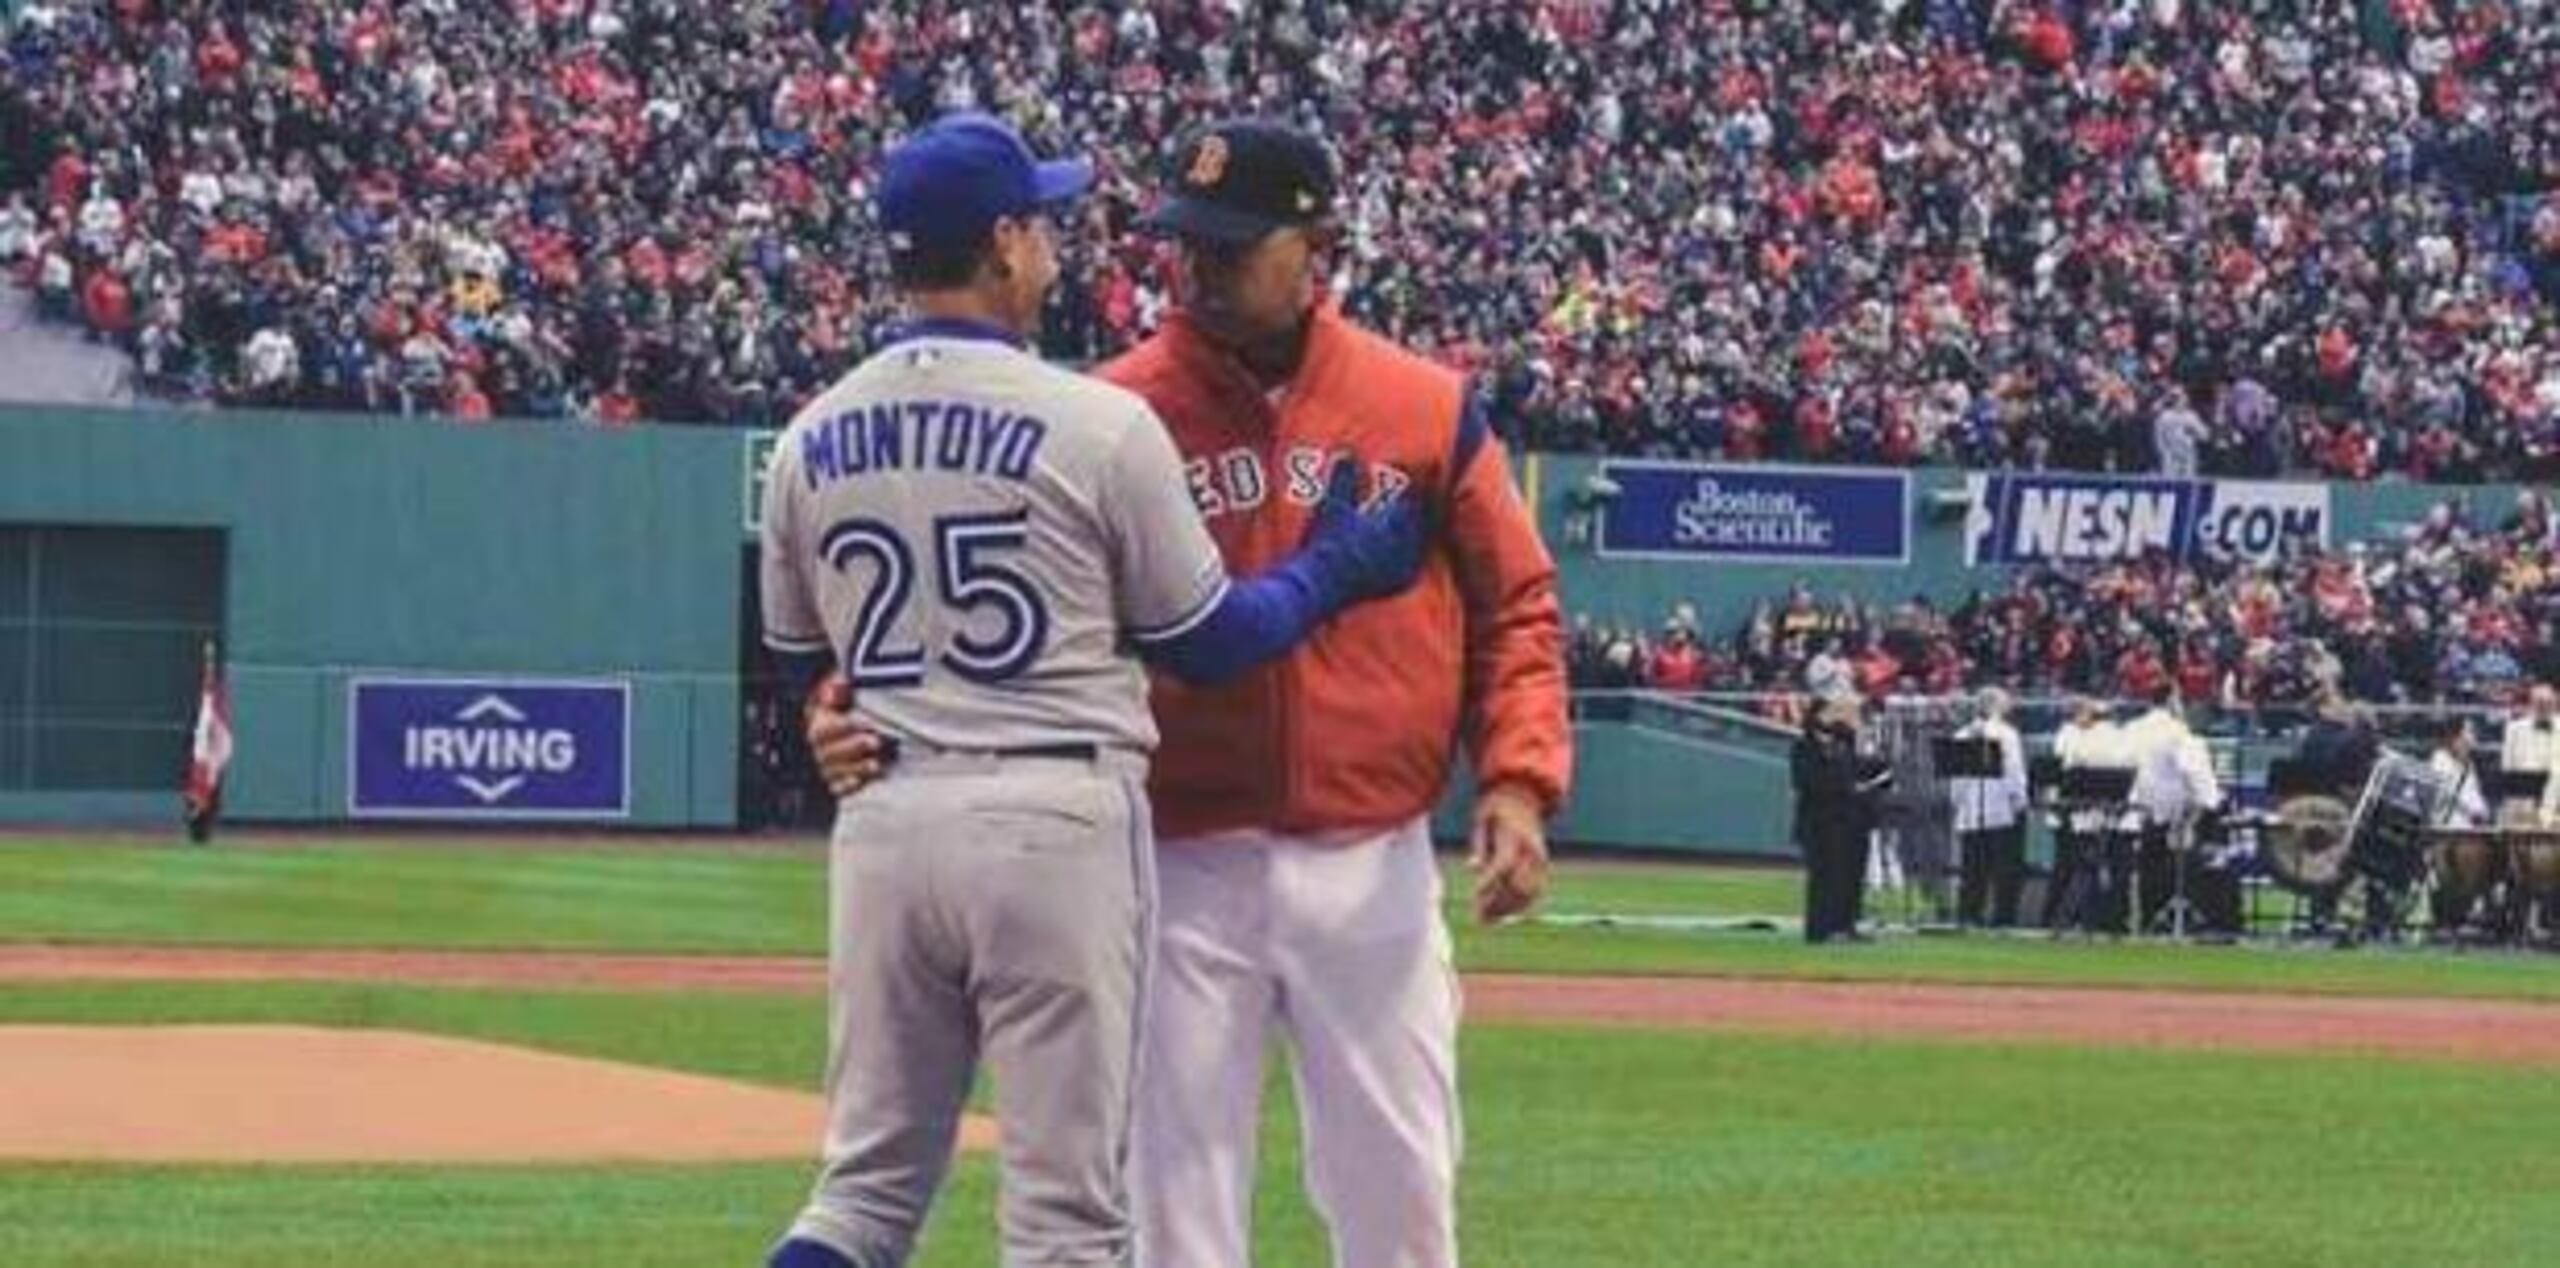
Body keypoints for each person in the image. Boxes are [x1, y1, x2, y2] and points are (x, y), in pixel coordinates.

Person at [808, 118, 1569, 1268]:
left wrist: (1518, 778)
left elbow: (1517, 605)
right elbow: (954, 611)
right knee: (1175, 1195)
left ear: (1313, 240)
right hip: (1174, 852)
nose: (1199, 265)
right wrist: (845, 699)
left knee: (1402, 1190)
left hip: (1370, 852)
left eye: (1231, 242)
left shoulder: (1420, 405)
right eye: (1187, 241)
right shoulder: (1110, 408)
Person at [2122, 687, 2225, 934]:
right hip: (2173, 816)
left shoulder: (2131, 729)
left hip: (2138, 811)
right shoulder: (2178, 733)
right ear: (2171, 701)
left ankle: (2145, 920)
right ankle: (2187, 920)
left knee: (2146, 873)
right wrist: (2206, 805)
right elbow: (2197, 776)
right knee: (2181, 870)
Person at [1795, 693, 1884, 943]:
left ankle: (1845, 924)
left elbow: (1869, 771)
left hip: (1851, 820)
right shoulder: (1805, 746)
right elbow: (1806, 782)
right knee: (1824, 877)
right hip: (1822, 821)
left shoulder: (1845, 745)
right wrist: (1847, 788)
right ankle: (1820, 928)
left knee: (1850, 876)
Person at [1947, 687, 2030, 928]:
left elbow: (1956, 778)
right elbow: (2014, 771)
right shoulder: (2006, 734)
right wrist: (2019, 801)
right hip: (2000, 808)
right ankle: (2003, 917)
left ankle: (1969, 913)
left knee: (1972, 867)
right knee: (2003, 867)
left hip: (1971, 810)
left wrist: (1959, 803)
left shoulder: (1962, 735)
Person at [2045, 696, 2124, 933]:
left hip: (2090, 808)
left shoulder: (2101, 735)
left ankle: (2083, 918)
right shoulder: (2068, 734)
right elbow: (2070, 763)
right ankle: (2058, 916)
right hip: (2069, 810)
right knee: (2069, 867)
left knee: (2086, 866)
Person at [2501, 684, 2558, 823]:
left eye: (2548, 703)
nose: (2544, 707)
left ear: (2555, 704)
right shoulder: (2514, 729)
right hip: (2523, 804)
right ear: (2531, 704)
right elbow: (2507, 769)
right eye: (2539, 703)